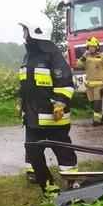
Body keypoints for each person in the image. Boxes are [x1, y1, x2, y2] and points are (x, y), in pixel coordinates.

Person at [17, 13, 77, 195]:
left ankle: (71, 180)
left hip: (53, 117)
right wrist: (20, 100)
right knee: (33, 150)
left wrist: (60, 102)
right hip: (32, 116)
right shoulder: (28, 57)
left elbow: (65, 82)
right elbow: (25, 83)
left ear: (35, 32)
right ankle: (46, 185)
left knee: (63, 150)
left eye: (25, 31)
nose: (23, 36)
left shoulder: (52, 55)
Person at [76, 36, 103, 125]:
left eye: (93, 47)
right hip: (89, 84)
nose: (91, 48)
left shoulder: (102, 56)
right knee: (92, 103)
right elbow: (79, 65)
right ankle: (101, 116)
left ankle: (97, 120)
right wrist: (83, 57)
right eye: (89, 47)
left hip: (99, 84)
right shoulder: (85, 56)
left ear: (96, 47)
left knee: (97, 103)